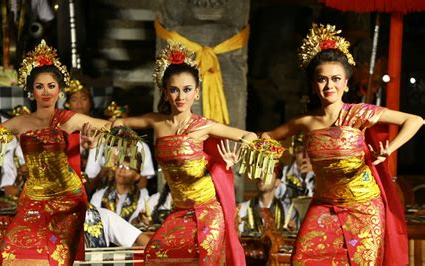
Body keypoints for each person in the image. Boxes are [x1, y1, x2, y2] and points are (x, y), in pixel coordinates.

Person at [261, 24, 424, 265]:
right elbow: (266, 137)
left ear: (346, 83)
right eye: (322, 79)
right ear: (314, 84)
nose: (329, 86)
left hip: (364, 209)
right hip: (324, 207)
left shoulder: (359, 114)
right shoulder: (305, 122)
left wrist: (391, 147)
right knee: (301, 260)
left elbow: (415, 120)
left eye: (336, 79)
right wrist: (266, 165)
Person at [85, 42, 258, 265]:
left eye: (187, 89)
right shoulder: (157, 122)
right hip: (180, 211)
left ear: (196, 93)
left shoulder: (204, 126)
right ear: (165, 93)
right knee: (154, 255)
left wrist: (239, 154)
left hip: (207, 212)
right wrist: (96, 135)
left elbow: (250, 135)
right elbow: (118, 123)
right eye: (174, 90)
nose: (180, 96)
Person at [0, 40, 113, 265]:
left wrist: (99, 137)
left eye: (51, 86)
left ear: (59, 90)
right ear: (31, 91)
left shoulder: (68, 119)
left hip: (66, 197)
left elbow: (109, 127)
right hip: (34, 196)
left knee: (55, 257)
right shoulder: (20, 122)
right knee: (12, 252)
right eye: (40, 86)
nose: (46, 92)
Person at [238, 164, 299, 235]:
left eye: (268, 172)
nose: (261, 176)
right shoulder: (242, 210)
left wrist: (293, 232)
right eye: (260, 172)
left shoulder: (289, 213)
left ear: (277, 182)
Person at [90, 153, 149, 224]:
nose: (122, 170)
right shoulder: (99, 195)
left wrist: (139, 219)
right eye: (120, 166)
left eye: (129, 168)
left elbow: (139, 221)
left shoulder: (142, 196)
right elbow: (92, 222)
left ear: (137, 176)